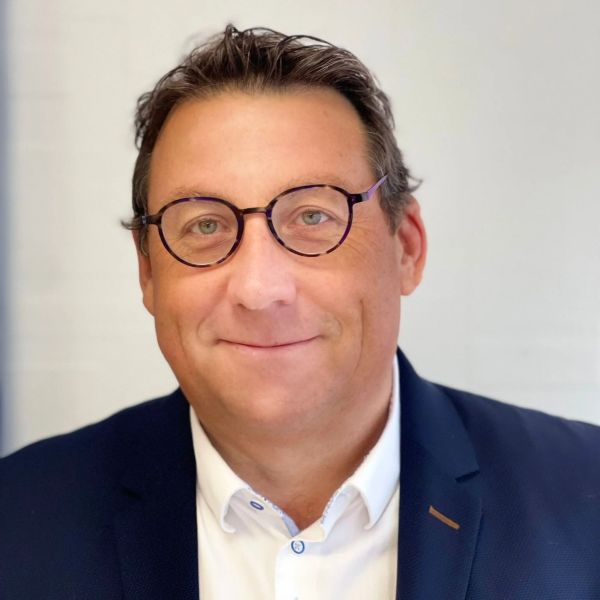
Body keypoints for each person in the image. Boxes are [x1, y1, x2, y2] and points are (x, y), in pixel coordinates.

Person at [1, 24, 599, 600]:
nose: (260, 289)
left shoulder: (585, 500)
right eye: (205, 225)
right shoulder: (18, 521)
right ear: (149, 272)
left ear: (407, 248)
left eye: (313, 216)